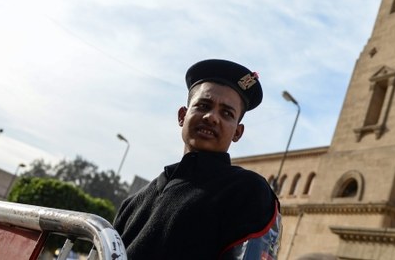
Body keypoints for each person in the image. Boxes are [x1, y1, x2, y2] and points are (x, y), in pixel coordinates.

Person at [113, 59, 281, 259]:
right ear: (182, 116)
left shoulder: (248, 192)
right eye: (203, 105)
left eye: (227, 113)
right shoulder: (134, 203)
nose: (212, 117)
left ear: (238, 132)